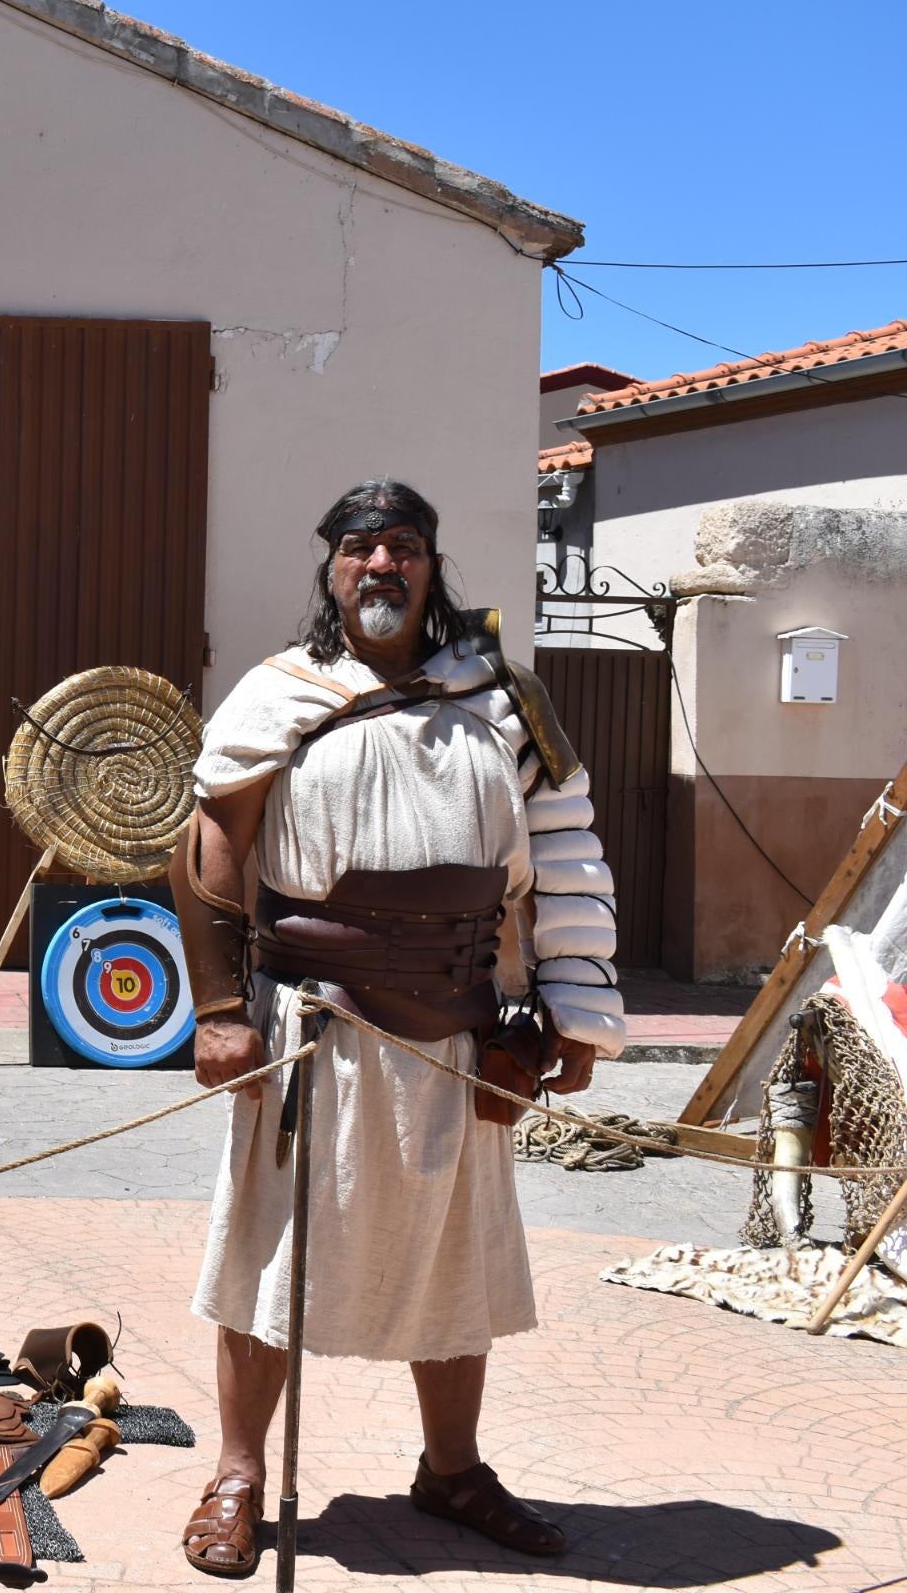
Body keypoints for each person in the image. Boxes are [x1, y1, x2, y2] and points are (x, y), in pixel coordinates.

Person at [169, 479, 625, 1577]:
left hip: (460, 1027)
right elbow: (207, 849)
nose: (383, 566)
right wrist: (222, 1011)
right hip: (312, 1025)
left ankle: (453, 1468)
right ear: (331, 570)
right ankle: (237, 1472)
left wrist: (578, 1007)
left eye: (405, 547)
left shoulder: (503, 694)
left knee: (453, 1248)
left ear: (432, 567)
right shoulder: (278, 692)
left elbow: (562, 850)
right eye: (362, 548)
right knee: (272, 1247)